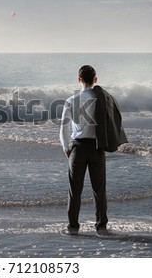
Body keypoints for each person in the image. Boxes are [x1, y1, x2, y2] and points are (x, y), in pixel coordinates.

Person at [59, 65, 126, 236]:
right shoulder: (102, 99)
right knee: (99, 190)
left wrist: (67, 149)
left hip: (77, 148)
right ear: (95, 79)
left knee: (75, 190)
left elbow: (63, 130)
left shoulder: (71, 100)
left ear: (79, 79)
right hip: (96, 148)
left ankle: (73, 227)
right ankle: (101, 227)